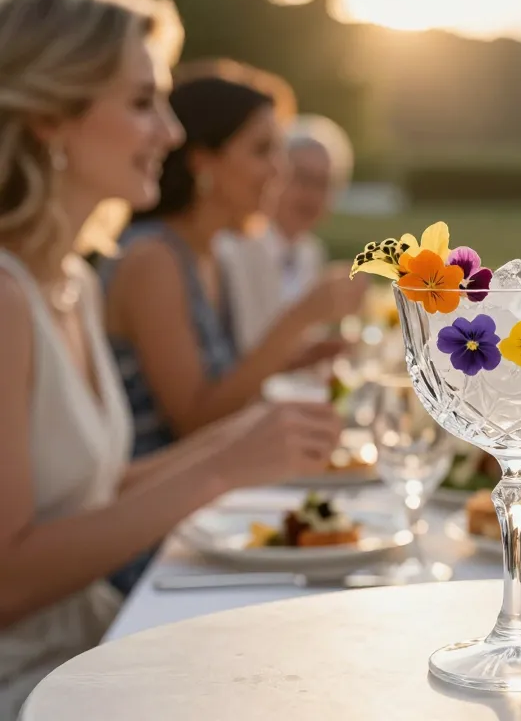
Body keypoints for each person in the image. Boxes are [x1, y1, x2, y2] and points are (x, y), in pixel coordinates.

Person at [0, 0, 342, 715]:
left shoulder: (68, 281)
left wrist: (248, 438)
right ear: (49, 115)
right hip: (36, 685)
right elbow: (8, 579)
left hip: (92, 643)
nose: (174, 132)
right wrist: (219, 467)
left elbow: (91, 494)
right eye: (141, 102)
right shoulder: (6, 299)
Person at [100, 63, 360, 593]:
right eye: (263, 150)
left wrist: (294, 359)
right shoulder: (153, 258)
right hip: (146, 537)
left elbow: (220, 386)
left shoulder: (207, 253)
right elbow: (195, 418)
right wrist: (298, 319)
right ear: (203, 162)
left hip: (197, 508)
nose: (279, 172)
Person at [217, 114, 362, 352]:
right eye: (302, 178)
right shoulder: (235, 247)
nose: (312, 195)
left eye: (324, 183)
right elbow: (243, 353)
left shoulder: (310, 251)